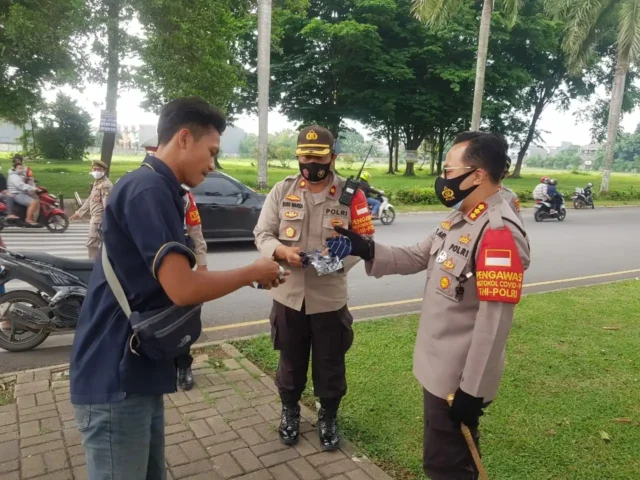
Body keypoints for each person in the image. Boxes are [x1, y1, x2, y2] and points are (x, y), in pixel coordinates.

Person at [70, 97, 286, 480]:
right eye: (212, 152)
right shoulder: (148, 190)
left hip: (135, 368)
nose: (213, 164)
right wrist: (251, 269)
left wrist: (251, 272)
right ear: (184, 138)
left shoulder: (160, 187)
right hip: (113, 375)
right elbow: (182, 288)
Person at [330, 131, 530, 479]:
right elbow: (419, 255)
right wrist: (366, 247)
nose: (443, 179)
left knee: (446, 466)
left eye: (449, 171)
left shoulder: (498, 231)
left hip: (458, 380)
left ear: (477, 175)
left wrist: (473, 390)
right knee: (446, 459)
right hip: (440, 370)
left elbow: (494, 321)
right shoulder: (463, 216)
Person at [253, 124, 375, 451]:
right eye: (304, 155)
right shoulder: (282, 191)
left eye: (317, 156)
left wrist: (335, 262)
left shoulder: (352, 196)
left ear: (332, 157)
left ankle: (328, 416)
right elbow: (262, 234)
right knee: (290, 360)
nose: (310, 161)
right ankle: (290, 411)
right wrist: (281, 252)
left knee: (330, 362)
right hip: (288, 295)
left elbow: (365, 243)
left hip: (329, 297)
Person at [176, 185, 208, 391]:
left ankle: (183, 366)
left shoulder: (185, 195)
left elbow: (195, 229)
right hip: (146, 264)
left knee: (183, 316)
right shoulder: (141, 189)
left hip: (179, 260)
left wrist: (202, 264)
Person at [70, 160, 113, 259]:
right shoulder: (97, 183)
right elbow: (90, 200)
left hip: (99, 218)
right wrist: (78, 213)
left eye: (99, 169)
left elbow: (107, 204)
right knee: (101, 245)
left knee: (91, 244)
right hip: (95, 217)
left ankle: (93, 265)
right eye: (94, 169)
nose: (96, 171)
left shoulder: (105, 185)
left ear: (104, 171)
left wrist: (107, 219)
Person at [500, 157, 523, 223]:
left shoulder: (510, 196)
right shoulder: (475, 192)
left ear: (507, 174)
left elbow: (518, 222)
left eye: (502, 170)